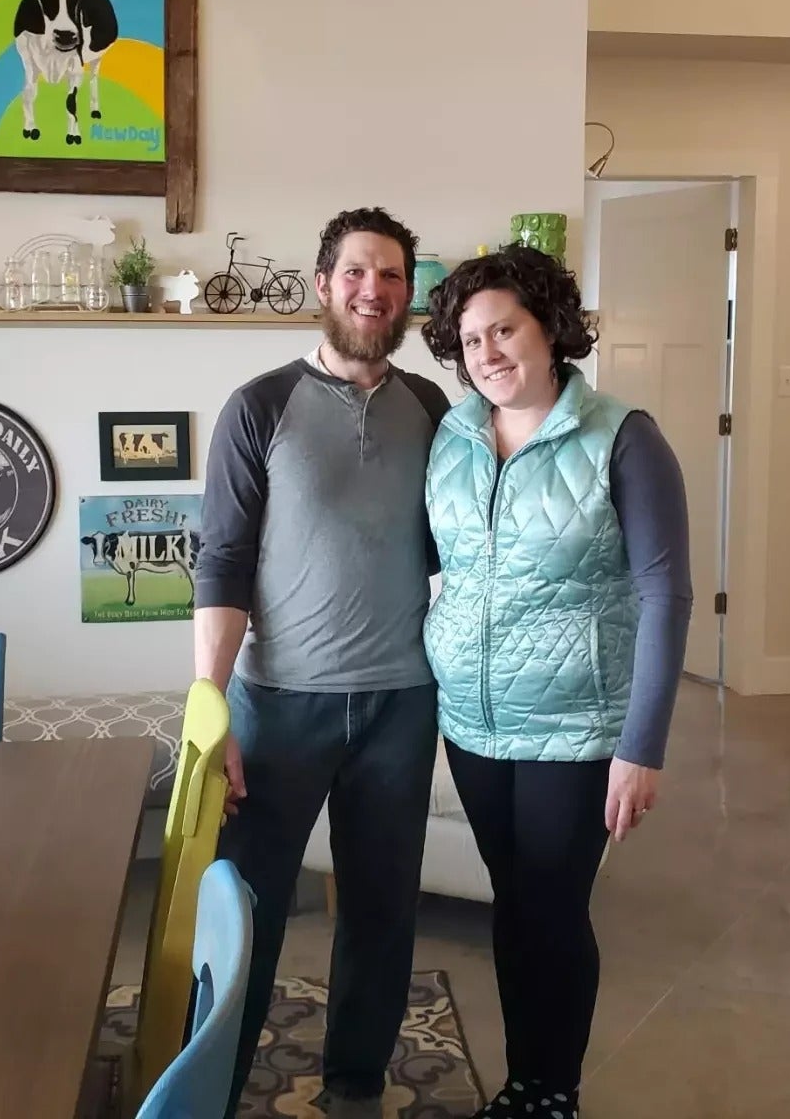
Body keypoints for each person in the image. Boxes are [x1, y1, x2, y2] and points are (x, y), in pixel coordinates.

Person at [420, 245, 693, 1119]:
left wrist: (640, 746)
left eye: (505, 328)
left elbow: (666, 592)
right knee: (514, 902)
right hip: (471, 721)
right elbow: (438, 560)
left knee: (553, 906)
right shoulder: (452, 438)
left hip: (577, 728)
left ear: (550, 329)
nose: (489, 352)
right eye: (470, 339)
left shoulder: (623, 436)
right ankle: (521, 1080)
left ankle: (551, 1089)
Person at [195, 206, 450, 1119]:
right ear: (322, 285)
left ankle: (354, 1088)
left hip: (401, 705)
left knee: (382, 913)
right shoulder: (259, 406)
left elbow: (457, 549)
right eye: (355, 273)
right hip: (280, 705)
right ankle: (213, 1083)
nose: (373, 291)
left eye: (390, 277)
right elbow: (220, 562)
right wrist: (211, 704)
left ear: (408, 294)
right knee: (248, 912)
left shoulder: (432, 408)